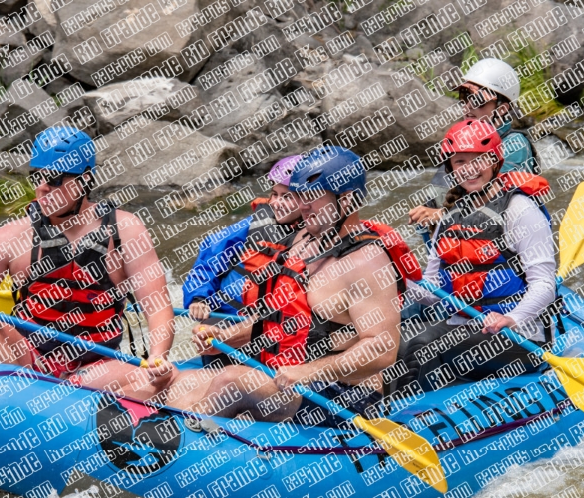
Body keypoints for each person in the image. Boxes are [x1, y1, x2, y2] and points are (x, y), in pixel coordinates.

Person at [166, 146, 423, 426]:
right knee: (184, 382)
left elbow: (381, 349)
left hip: (342, 394)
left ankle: (193, 448)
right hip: (286, 380)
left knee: (233, 380)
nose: (303, 205)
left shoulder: (366, 262)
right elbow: (280, 319)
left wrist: (308, 372)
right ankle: (177, 446)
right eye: (300, 195)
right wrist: (225, 338)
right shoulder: (300, 242)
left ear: (346, 200)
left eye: (312, 197)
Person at [0, 126, 176, 400]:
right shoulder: (13, 236)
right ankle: (9, 406)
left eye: (54, 179)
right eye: (36, 176)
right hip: (29, 360)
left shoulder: (125, 230)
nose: (41, 187)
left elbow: (157, 306)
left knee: (158, 380)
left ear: (84, 180)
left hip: (96, 367)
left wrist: (158, 357)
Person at [400, 119, 555, 392]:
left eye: (479, 160)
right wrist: (401, 281)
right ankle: (397, 415)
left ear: (496, 161)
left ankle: (419, 419)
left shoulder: (519, 209)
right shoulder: (449, 216)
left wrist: (512, 318)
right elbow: (433, 290)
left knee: (422, 344)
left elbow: (544, 284)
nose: (469, 169)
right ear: (450, 167)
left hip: (519, 336)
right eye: (460, 162)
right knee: (397, 340)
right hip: (463, 327)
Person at [409, 58, 540, 231]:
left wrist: (441, 216)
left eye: (478, 101)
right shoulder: (459, 143)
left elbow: (499, 205)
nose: (467, 107)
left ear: (501, 109)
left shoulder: (515, 145)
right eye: (464, 97)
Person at [182, 155, 305, 321]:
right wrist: (199, 298)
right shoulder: (254, 224)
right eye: (275, 194)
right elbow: (210, 256)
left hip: (268, 322)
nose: (276, 203)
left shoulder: (317, 234)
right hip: (224, 315)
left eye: (287, 196)